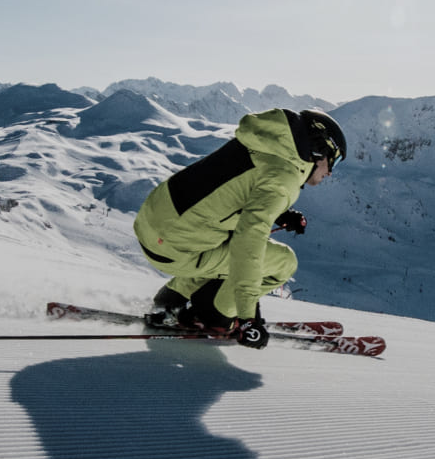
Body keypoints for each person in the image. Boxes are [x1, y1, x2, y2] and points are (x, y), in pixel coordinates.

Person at [133, 107, 347, 348]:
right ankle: (214, 314)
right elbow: (248, 244)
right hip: (175, 248)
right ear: (320, 149)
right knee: (284, 262)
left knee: (225, 241)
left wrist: (280, 213)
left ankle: (172, 299)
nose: (330, 172)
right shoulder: (284, 177)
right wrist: (247, 317)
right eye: (334, 161)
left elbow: (229, 187)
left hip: (153, 223)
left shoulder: (266, 144)